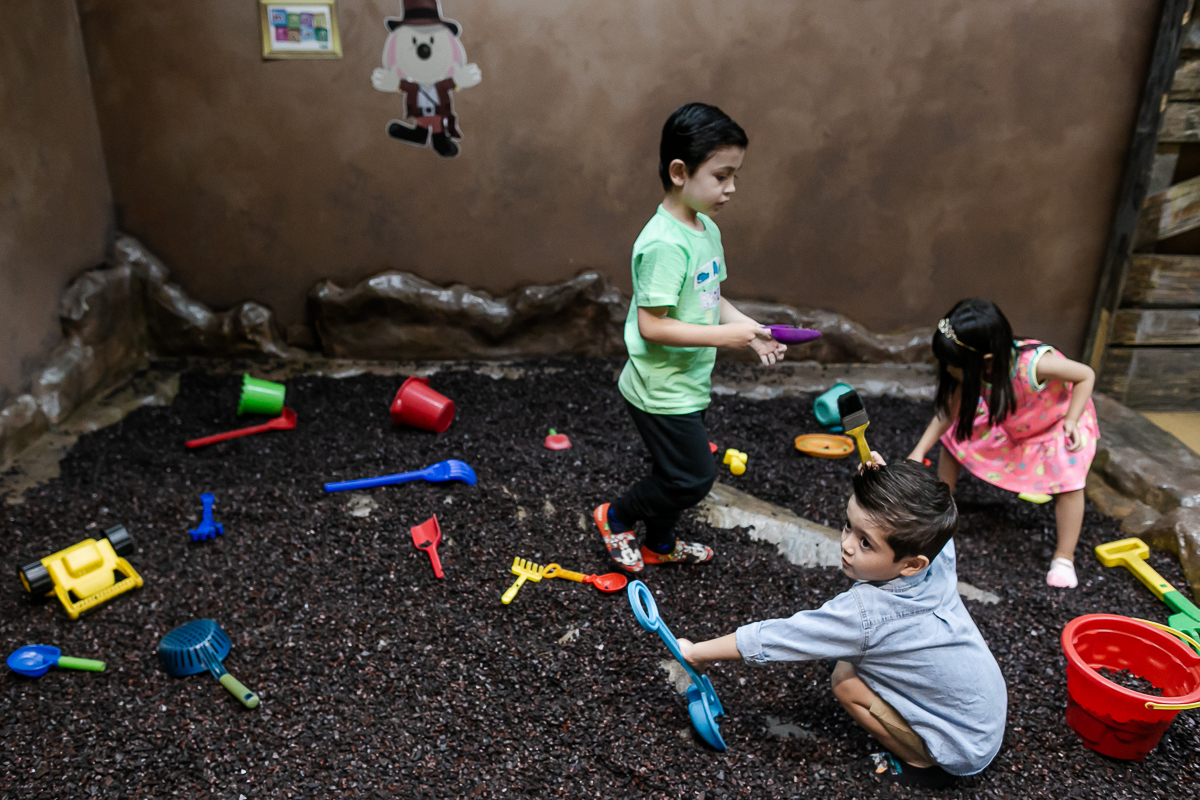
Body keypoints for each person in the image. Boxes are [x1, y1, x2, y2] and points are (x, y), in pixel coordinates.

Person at [677, 457, 1007, 786]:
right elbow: (933, 511)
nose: (846, 545)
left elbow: (779, 637)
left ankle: (919, 761)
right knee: (852, 658)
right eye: (849, 525)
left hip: (961, 747)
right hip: (983, 716)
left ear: (911, 564)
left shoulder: (866, 614)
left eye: (866, 543)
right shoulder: (937, 556)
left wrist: (697, 652)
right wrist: (886, 482)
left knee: (844, 681)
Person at [594, 102, 787, 573]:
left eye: (735, 175)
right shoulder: (664, 243)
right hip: (659, 389)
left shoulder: (704, 229)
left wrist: (751, 331)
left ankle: (659, 544)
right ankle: (616, 516)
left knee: (674, 472)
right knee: (693, 478)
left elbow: (710, 296)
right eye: (722, 176)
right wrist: (725, 337)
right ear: (680, 172)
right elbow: (652, 326)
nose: (731, 188)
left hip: (687, 381)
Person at [905, 298, 1098, 588]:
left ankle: (1064, 557)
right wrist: (919, 451)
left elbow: (1085, 375)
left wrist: (1071, 420)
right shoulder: (973, 372)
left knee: (1069, 481)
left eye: (953, 364)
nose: (947, 369)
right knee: (955, 439)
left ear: (986, 360)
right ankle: (939, 511)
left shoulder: (1036, 364)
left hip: (1054, 427)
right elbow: (948, 414)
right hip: (1010, 422)